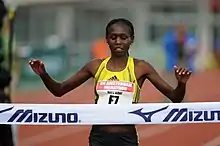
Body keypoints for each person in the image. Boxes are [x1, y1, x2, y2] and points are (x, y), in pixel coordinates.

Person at [29, 18, 192, 146]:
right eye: (113, 37)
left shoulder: (140, 67)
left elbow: (175, 97)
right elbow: (59, 90)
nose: (118, 41)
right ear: (107, 40)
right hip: (99, 138)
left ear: (131, 40)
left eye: (123, 37)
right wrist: (44, 74)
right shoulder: (95, 66)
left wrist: (182, 84)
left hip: (126, 138)